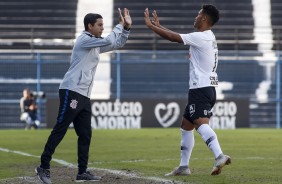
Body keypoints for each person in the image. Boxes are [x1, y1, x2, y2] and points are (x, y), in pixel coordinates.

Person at [35, 8, 132, 184]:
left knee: (85, 134)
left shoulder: (94, 44)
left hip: (84, 94)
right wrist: (120, 24)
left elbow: (116, 43)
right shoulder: (84, 40)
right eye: (100, 25)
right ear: (90, 26)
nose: (102, 28)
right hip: (71, 90)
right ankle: (43, 166)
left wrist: (126, 29)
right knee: (60, 128)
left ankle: (82, 172)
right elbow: (110, 39)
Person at [144, 4, 231, 176]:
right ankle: (184, 167)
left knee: (200, 123)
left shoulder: (202, 37)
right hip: (206, 88)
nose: (195, 17)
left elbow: (174, 38)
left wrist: (151, 26)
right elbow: (180, 36)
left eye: (198, 14)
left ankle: (219, 155)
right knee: (186, 125)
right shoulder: (206, 36)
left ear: (204, 18)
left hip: (201, 88)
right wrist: (159, 26)